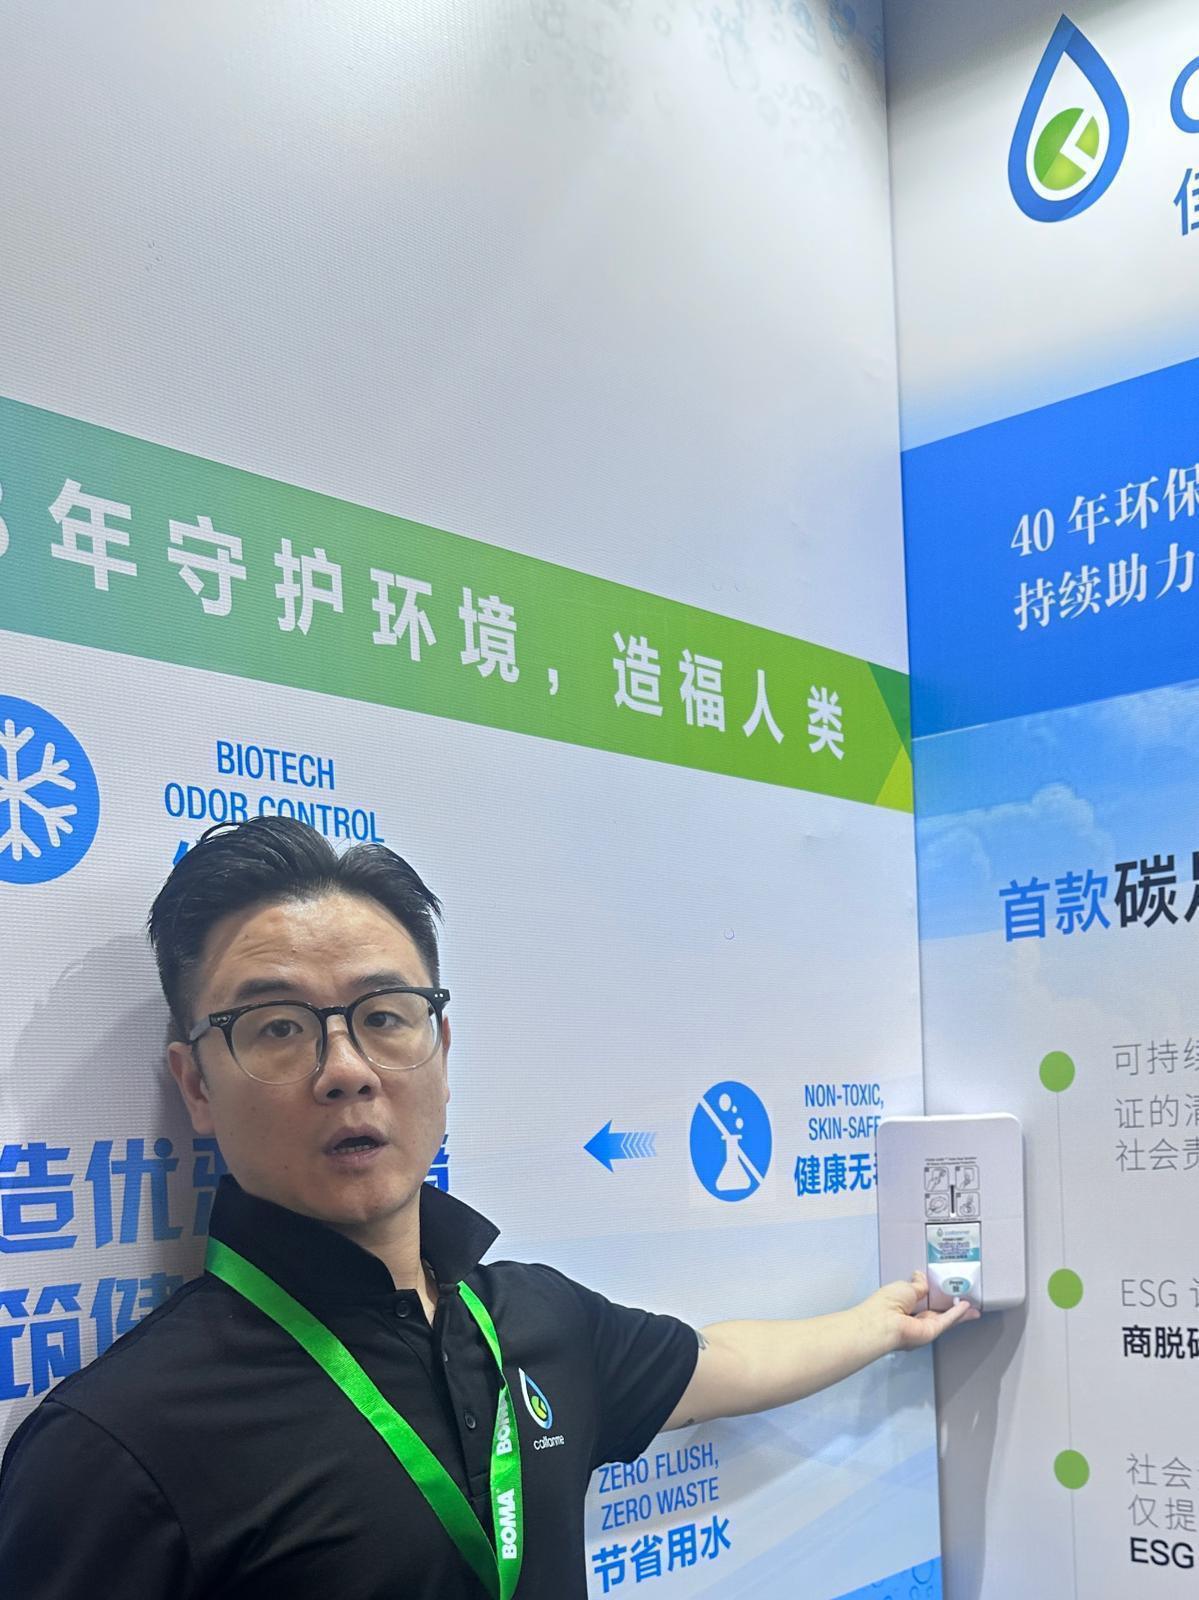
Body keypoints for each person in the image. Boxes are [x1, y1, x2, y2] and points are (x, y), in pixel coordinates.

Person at [0, 818, 975, 1597]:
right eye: (277, 1026)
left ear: (442, 1046)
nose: (345, 1069)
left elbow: (719, 1363)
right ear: (196, 1085)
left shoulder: (532, 1317)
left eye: (384, 1016)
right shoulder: (115, 1449)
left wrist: (882, 1321)